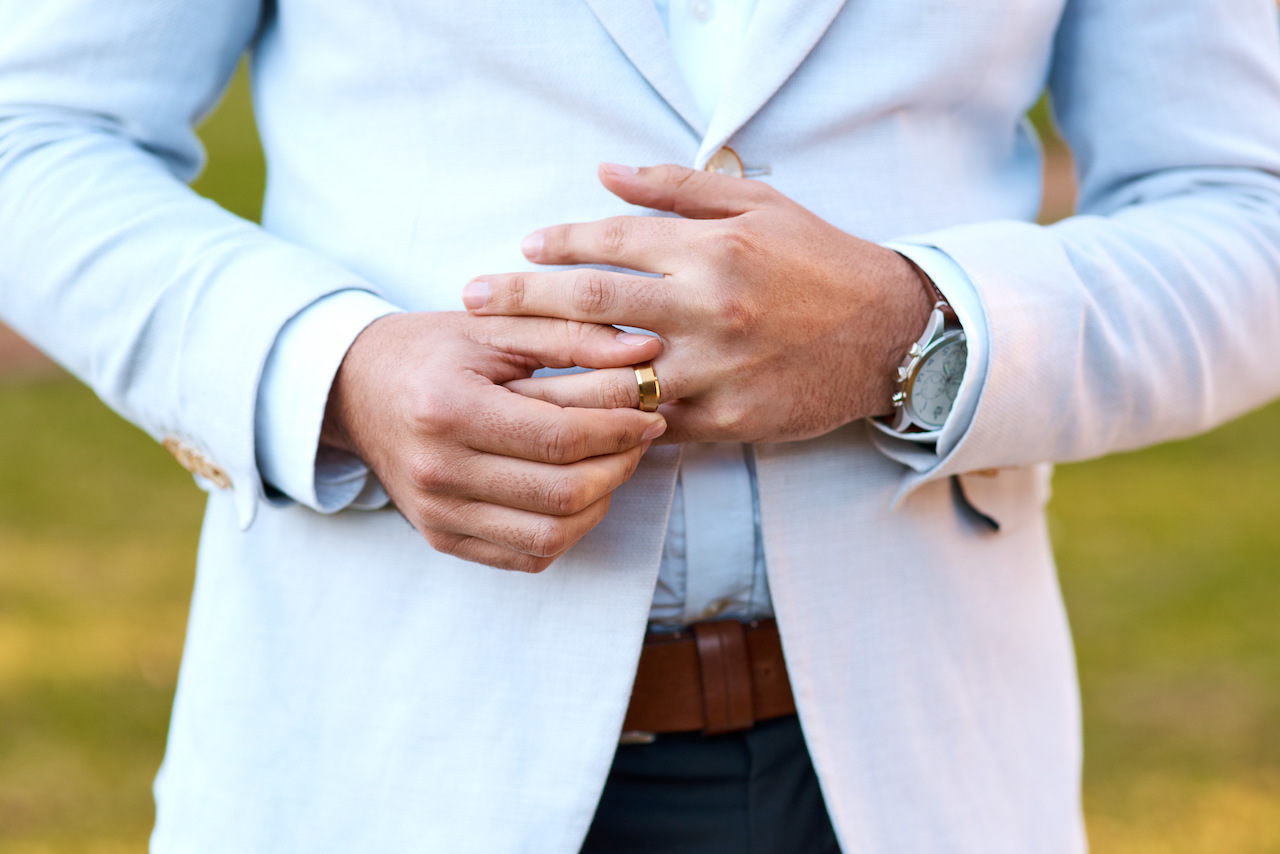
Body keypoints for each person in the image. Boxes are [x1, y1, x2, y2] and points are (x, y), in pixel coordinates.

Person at [2, 0, 1279, 851]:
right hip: (383, 749)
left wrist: (914, 329)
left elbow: (1243, 207)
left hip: (919, 765)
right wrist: (331, 368)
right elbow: (34, 130)